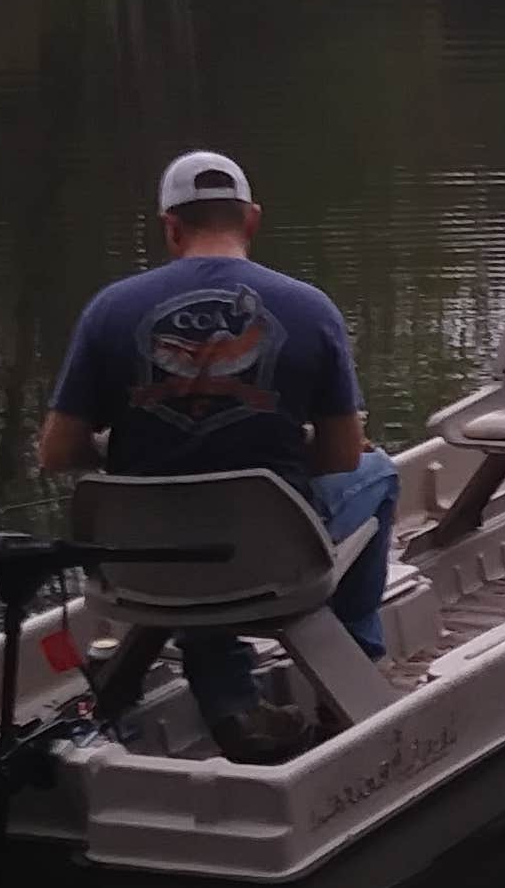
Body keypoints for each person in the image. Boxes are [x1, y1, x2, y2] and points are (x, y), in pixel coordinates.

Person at [35, 151, 403, 737]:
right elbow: (342, 457)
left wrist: (137, 451)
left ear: (170, 227)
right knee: (378, 474)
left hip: (146, 563)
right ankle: (353, 670)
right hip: (271, 555)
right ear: (252, 220)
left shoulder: (108, 310)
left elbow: (56, 453)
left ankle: (232, 700)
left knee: (184, 514)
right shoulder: (310, 308)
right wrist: (272, 450)